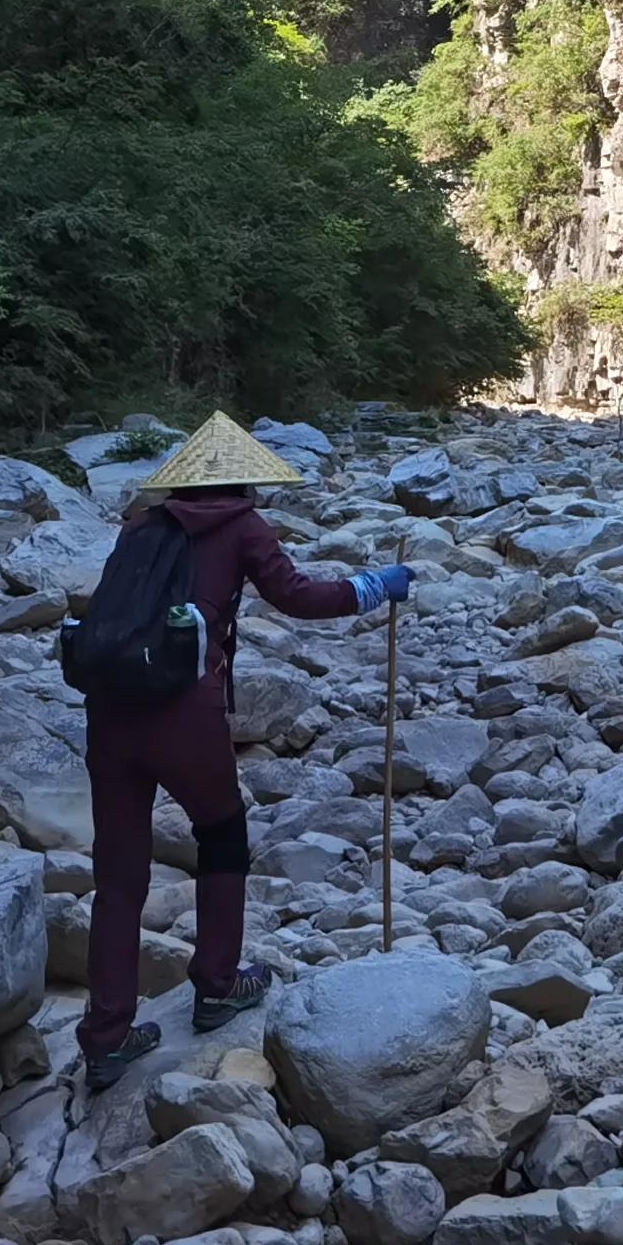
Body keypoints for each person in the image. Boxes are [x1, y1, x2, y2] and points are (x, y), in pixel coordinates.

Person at [69, 415, 411, 1094]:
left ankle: (106, 1037)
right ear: (242, 477)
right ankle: (217, 986)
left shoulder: (139, 525)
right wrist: (376, 586)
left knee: (119, 877)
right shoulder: (242, 526)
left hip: (109, 709)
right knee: (222, 837)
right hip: (185, 716)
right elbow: (299, 597)